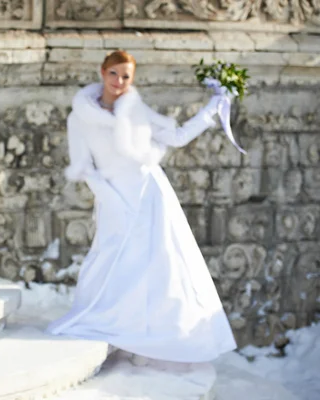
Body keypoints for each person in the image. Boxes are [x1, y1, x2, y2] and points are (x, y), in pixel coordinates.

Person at [46, 50, 237, 364]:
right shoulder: (79, 116)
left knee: (161, 262)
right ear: (102, 71)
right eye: (114, 74)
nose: (119, 82)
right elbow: (83, 166)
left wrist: (210, 110)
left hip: (150, 192)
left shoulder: (135, 108)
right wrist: (110, 198)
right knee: (109, 257)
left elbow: (175, 137)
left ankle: (151, 337)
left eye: (126, 77)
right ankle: (113, 322)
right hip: (113, 195)